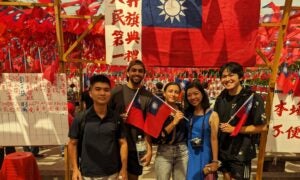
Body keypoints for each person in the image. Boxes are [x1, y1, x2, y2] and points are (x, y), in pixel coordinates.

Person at [68, 74, 128, 180]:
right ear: (90, 93)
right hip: (88, 174)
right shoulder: (81, 118)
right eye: (98, 89)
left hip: (112, 173)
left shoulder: (116, 118)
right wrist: (75, 169)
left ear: (110, 93)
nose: (102, 93)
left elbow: (123, 143)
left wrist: (123, 168)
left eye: (106, 90)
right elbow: (72, 144)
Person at [214, 62, 267, 180]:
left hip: (241, 153)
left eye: (231, 75)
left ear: (241, 77)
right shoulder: (221, 97)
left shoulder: (252, 97)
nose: (227, 79)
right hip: (223, 150)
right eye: (224, 76)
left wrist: (235, 129)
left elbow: (263, 127)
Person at [109, 60, 153, 180]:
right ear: (127, 73)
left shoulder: (148, 96)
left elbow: (149, 125)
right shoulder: (115, 92)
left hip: (137, 147)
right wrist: (116, 119)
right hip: (115, 146)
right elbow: (103, 116)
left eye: (140, 71)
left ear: (144, 74)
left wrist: (149, 150)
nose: (137, 73)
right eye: (133, 70)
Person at [185, 81, 220, 180]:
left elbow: (214, 139)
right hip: (189, 155)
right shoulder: (188, 114)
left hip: (204, 154)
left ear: (202, 94)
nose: (192, 97)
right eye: (189, 95)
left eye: (196, 93)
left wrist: (215, 161)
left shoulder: (213, 115)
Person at [154, 82, 188, 180]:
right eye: (170, 91)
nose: (173, 94)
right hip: (164, 152)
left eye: (176, 92)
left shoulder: (183, 110)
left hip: (182, 152)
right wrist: (174, 122)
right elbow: (158, 136)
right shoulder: (157, 110)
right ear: (164, 93)